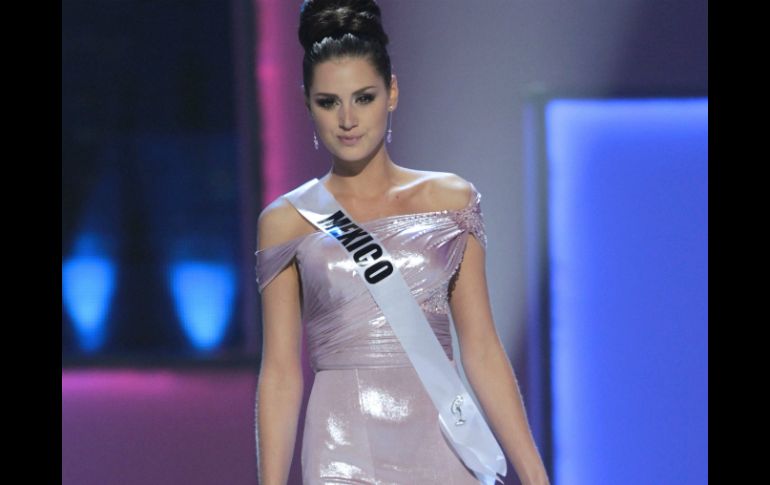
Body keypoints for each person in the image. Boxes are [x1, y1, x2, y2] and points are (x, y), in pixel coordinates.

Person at [254, 1, 550, 484]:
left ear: (391, 92)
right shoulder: (288, 221)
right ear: (307, 102)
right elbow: (281, 374)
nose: (347, 118)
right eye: (329, 101)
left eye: (363, 97)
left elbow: (480, 347)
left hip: (441, 441)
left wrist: (535, 476)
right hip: (340, 448)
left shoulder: (450, 200)